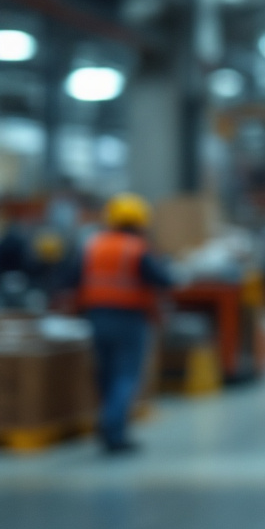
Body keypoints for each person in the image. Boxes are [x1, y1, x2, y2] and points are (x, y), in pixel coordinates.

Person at [72, 194, 173, 454]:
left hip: (96, 317)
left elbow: (71, 278)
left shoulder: (93, 244)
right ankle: (114, 433)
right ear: (140, 221)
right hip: (129, 319)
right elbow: (163, 279)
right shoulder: (137, 248)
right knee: (126, 375)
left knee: (105, 375)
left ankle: (106, 424)